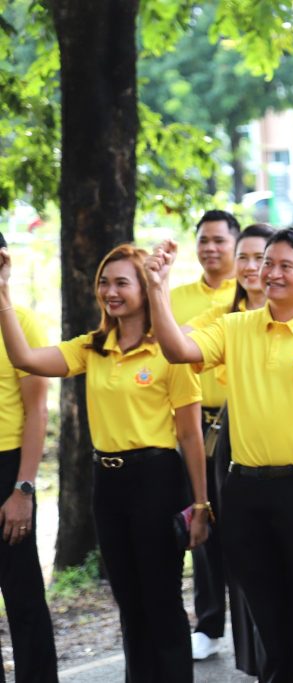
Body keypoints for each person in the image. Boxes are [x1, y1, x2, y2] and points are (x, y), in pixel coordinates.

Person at [145, 228, 293, 683]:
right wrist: (157, 289)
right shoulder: (236, 326)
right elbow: (179, 349)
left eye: (287, 265)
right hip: (243, 489)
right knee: (264, 605)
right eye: (268, 263)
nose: (271, 273)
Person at [0, 243, 210, 683]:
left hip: (157, 479)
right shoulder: (93, 347)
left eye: (121, 283)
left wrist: (202, 506)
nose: (109, 292)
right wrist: (2, 295)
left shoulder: (169, 351)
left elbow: (190, 435)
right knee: (129, 602)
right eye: (104, 282)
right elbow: (25, 358)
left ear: (143, 289)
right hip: (108, 484)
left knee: (161, 601)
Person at [181, 222, 276, 676]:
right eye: (246, 258)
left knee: (277, 557)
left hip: (278, 440)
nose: (253, 267)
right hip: (226, 436)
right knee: (233, 545)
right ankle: (253, 656)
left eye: (262, 257)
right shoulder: (224, 316)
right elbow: (180, 342)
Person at [169, 209, 240, 661]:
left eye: (219, 240)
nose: (210, 248)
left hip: (240, 424)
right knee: (202, 520)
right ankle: (209, 623)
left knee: (244, 527)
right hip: (193, 424)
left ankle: (255, 622)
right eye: (204, 240)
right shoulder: (175, 298)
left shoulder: (248, 295)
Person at [0, 233, 58, 682]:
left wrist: (23, 488)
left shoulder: (23, 324)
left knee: (22, 596)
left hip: (8, 469)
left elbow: (37, 411)